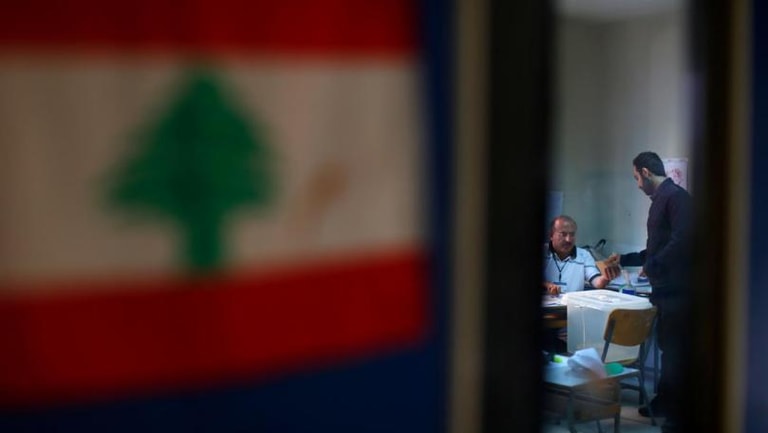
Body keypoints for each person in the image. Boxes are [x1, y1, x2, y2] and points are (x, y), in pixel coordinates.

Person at [619, 151, 692, 432]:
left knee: (676, 350)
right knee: (667, 348)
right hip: (664, 289)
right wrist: (625, 259)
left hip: (677, 290)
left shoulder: (675, 198)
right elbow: (657, 247)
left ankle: (679, 412)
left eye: (636, 178)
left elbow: (683, 240)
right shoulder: (662, 199)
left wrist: (653, 264)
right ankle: (665, 401)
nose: (637, 185)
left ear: (646, 172)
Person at [543, 215, 619, 295]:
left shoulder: (584, 255)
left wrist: (607, 276)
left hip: (572, 302)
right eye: (563, 234)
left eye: (572, 234)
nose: (568, 239)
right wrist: (547, 285)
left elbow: (597, 282)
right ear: (551, 235)